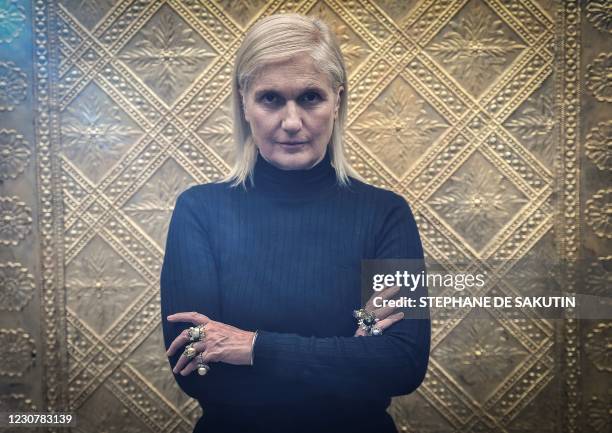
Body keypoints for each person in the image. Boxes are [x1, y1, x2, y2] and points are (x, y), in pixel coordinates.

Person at [160, 13, 430, 433]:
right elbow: (197, 373)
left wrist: (251, 347)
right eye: (270, 98)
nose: (290, 122)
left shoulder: (386, 214)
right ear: (244, 102)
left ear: (337, 100)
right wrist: (347, 357)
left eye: (310, 97)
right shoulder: (199, 211)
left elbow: (402, 365)